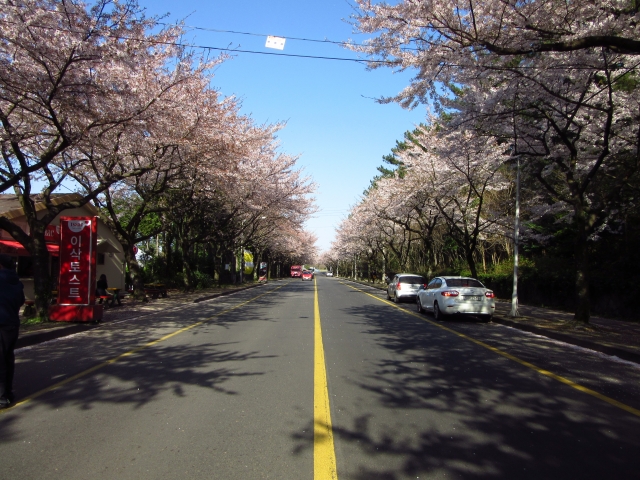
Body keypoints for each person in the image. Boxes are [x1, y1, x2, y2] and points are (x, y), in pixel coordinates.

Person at [0, 253, 25, 408]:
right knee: (8, 358)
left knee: (0, 361)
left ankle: (2, 397)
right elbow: (21, 300)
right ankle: (8, 392)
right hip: (12, 324)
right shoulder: (16, 281)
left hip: (1, 323)